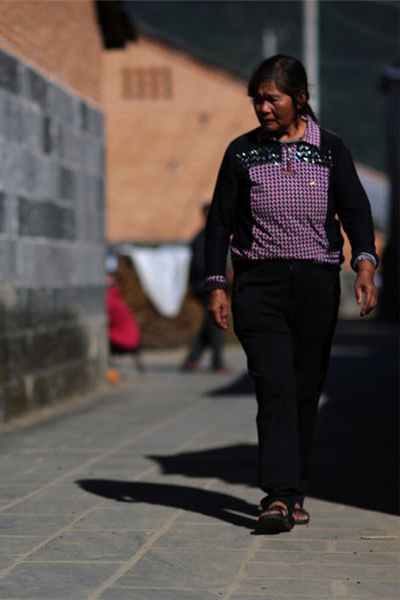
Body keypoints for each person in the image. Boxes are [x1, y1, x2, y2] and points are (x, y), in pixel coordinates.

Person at [204, 55, 378, 532]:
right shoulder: (241, 153)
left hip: (317, 284)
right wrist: (217, 284)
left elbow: (356, 210)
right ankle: (278, 497)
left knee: (304, 390)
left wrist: (364, 262)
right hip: (258, 285)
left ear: (299, 98)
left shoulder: (331, 150)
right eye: (257, 100)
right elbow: (218, 223)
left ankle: (295, 489)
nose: (262, 108)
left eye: (271, 99)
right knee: (275, 387)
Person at [182, 203, 228, 373]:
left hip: (207, 285)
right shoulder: (203, 238)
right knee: (216, 322)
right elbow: (199, 266)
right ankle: (217, 361)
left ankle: (192, 358)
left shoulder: (213, 236)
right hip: (204, 286)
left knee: (210, 323)